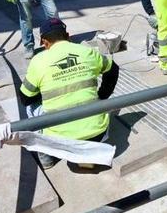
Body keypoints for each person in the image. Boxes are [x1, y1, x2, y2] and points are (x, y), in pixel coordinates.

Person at [19, 18, 119, 169]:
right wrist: (102, 97)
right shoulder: (87, 52)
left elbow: (25, 99)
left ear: (44, 42)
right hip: (98, 134)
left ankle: (46, 158)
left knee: (30, 108)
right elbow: (113, 69)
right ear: (68, 36)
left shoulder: (38, 61)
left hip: (61, 141)